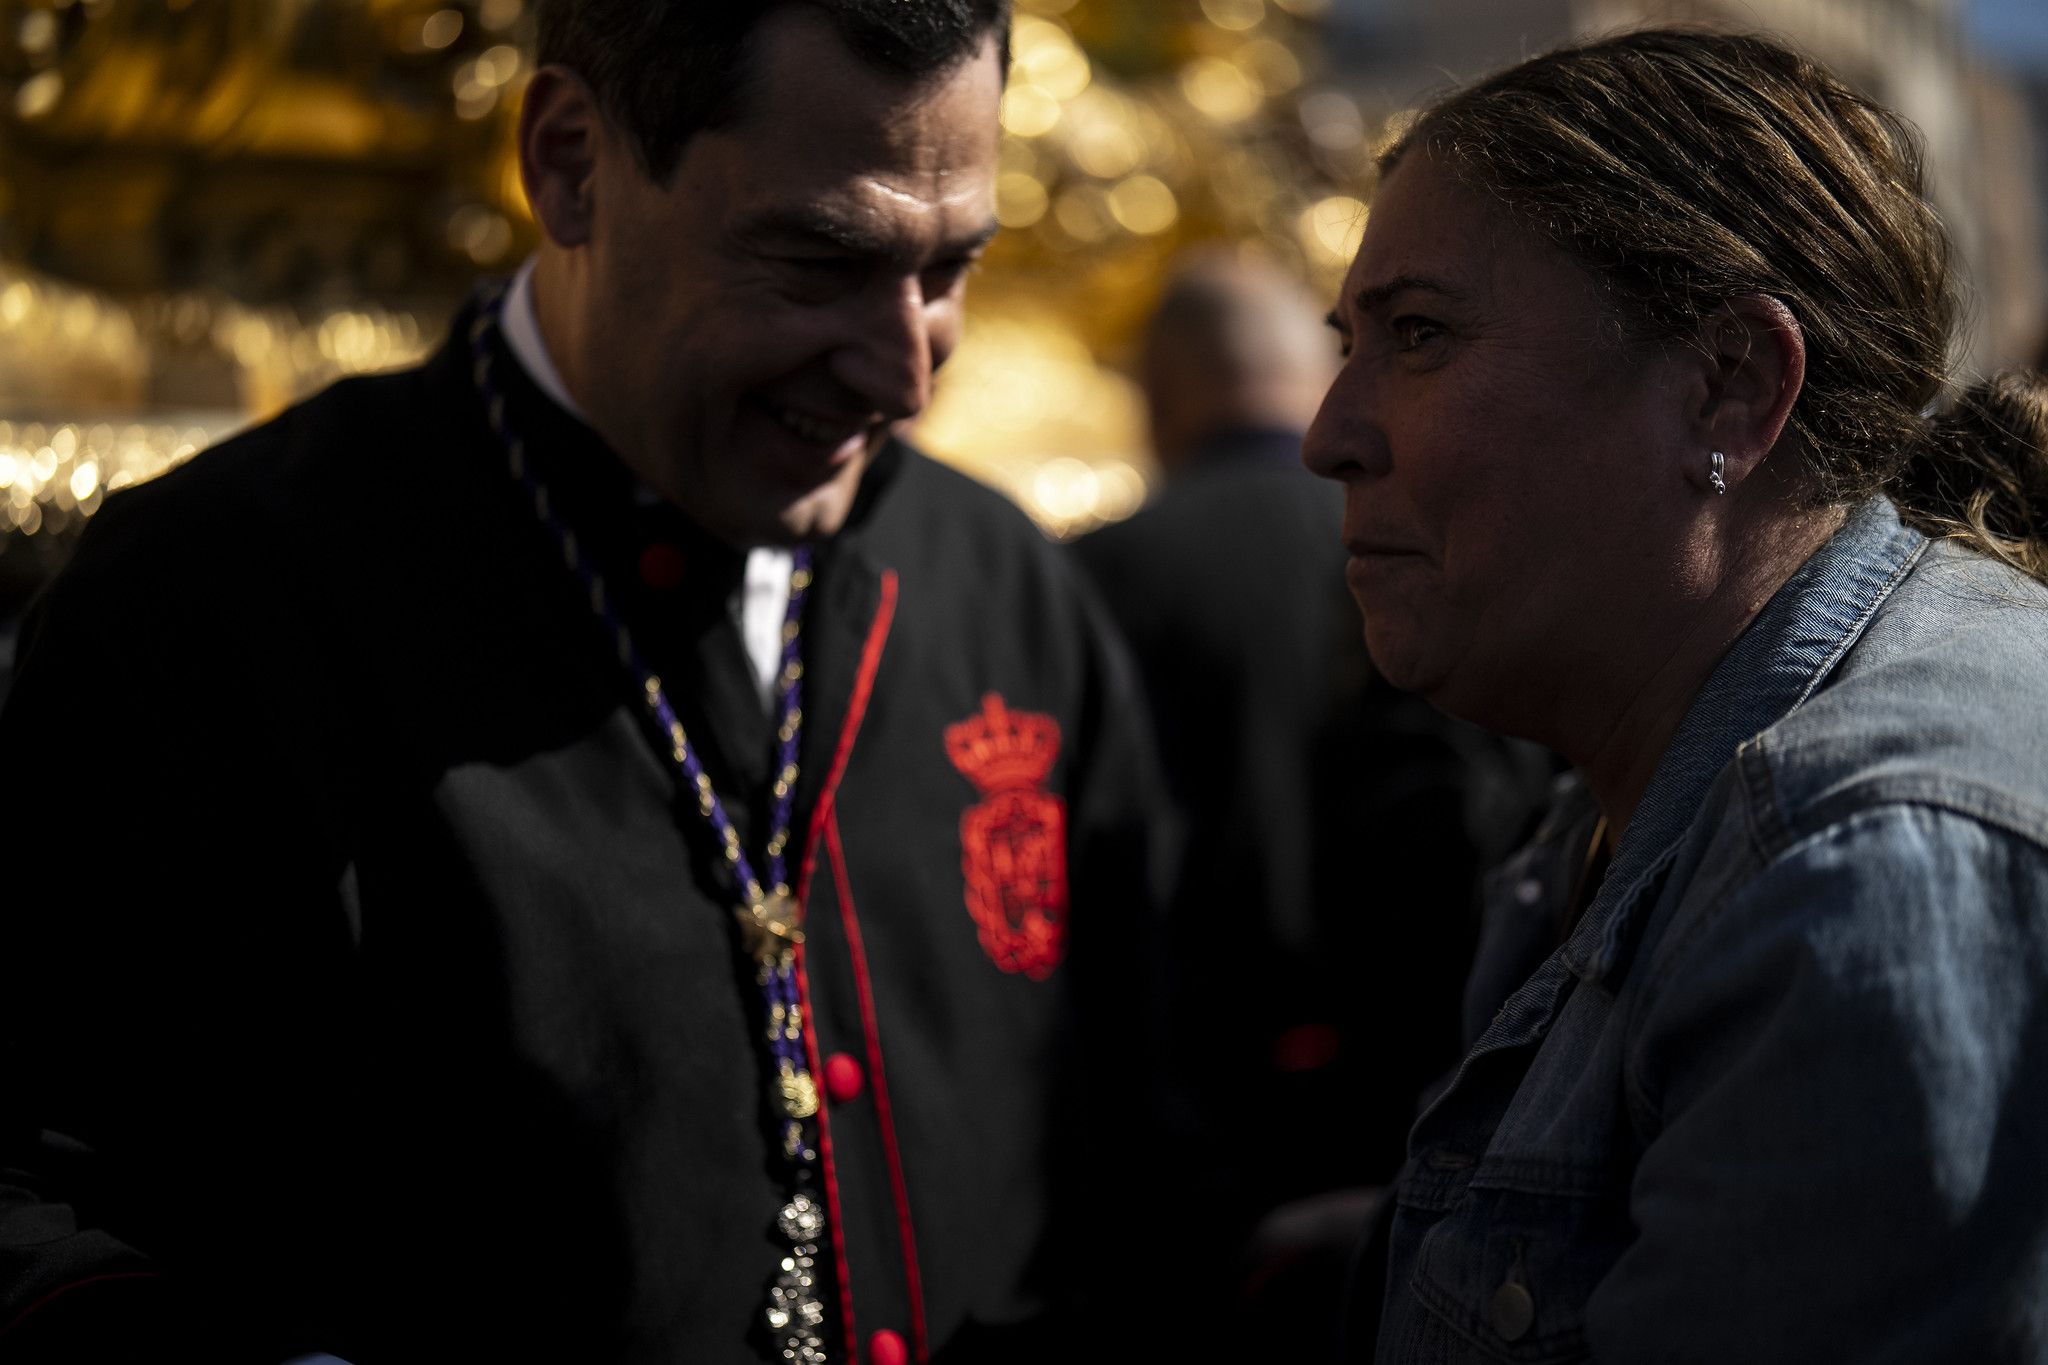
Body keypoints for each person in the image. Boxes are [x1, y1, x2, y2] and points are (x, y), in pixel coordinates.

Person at [0, 3, 1165, 1362]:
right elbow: (41, 1183)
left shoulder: (1005, 586)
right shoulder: (223, 593)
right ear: (569, 164)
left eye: (951, 269)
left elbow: (1138, 1132)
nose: (902, 371)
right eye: (819, 260)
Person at [1301, 28, 2048, 1362]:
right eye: (1346, 339)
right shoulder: (1635, 795)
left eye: (1417, 335)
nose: (1330, 432)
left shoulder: (1872, 861)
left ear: (1730, 386)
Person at [1072, 251, 1549, 1356]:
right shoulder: (1442, 547)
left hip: (1193, 1131)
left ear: (1156, 392)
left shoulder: (1096, 576)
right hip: (1432, 1091)